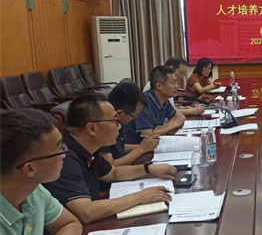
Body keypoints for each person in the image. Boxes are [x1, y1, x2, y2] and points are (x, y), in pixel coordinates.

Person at [43, 94, 174, 224]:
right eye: (114, 121)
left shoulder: (88, 148)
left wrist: (149, 169)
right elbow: (86, 212)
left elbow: (113, 173)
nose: (119, 126)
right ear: (92, 128)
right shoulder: (64, 158)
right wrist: (140, 197)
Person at [101, 81, 160, 166]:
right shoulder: (104, 126)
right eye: (134, 116)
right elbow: (110, 167)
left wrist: (146, 146)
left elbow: (119, 147)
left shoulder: (120, 121)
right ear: (119, 113)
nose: (134, 119)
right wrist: (141, 149)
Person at [123, 65, 186, 144]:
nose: (177, 86)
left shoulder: (164, 100)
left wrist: (160, 129)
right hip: (136, 147)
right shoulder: (142, 102)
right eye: (173, 83)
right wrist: (174, 124)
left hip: (154, 144)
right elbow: (148, 136)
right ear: (159, 86)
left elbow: (179, 117)